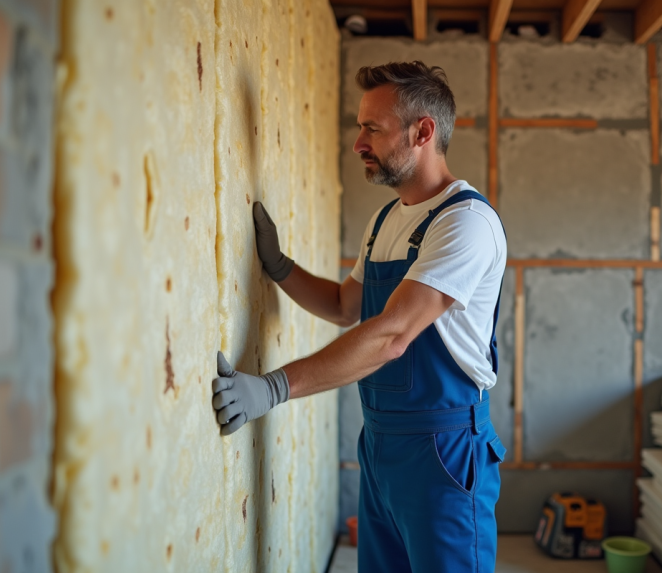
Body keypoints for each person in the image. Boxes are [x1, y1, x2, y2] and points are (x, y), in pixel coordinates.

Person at [212, 61, 508, 572]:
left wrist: (274, 388)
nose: (358, 143)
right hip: (379, 446)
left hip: (443, 450)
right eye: (360, 126)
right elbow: (347, 307)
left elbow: (393, 335)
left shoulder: (467, 223)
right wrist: (280, 267)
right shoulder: (386, 220)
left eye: (372, 128)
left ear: (423, 132)